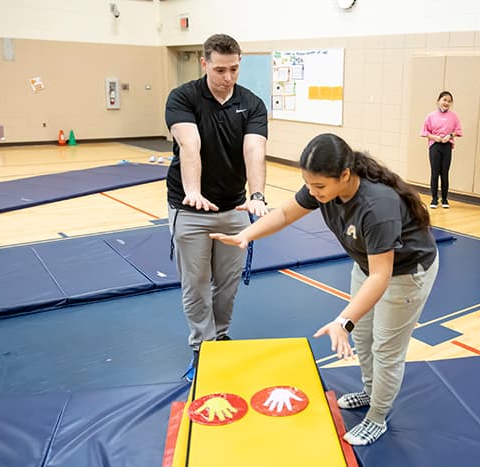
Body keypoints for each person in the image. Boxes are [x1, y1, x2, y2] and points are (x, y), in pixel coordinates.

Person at [210, 133, 439, 446]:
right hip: (366, 265)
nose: (313, 192)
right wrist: (247, 235)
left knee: (386, 347)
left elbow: (381, 276)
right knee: (363, 335)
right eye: (309, 184)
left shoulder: (377, 206)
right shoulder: (323, 189)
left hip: (406, 272)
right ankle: (370, 391)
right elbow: (285, 213)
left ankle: (377, 417)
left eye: (319, 186)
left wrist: (343, 320)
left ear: (345, 175)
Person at [164, 33, 269, 383]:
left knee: (226, 284)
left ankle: (220, 337)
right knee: (195, 284)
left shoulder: (251, 103)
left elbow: (254, 150)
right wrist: (192, 190)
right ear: (204, 63)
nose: (228, 77)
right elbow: (188, 143)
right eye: (220, 69)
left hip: (233, 210)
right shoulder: (184, 97)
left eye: (234, 69)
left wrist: (258, 196)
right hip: (189, 209)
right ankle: (202, 347)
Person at [420, 91, 463, 209]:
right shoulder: (431, 116)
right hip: (435, 145)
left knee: (445, 173)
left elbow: (458, 131)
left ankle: (444, 199)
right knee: (435, 172)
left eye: (449, 101)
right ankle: (434, 199)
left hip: (447, 145)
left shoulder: (453, 117)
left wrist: (450, 136)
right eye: (444, 100)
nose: (446, 103)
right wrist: (435, 137)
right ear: (438, 101)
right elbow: (424, 132)